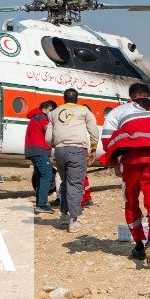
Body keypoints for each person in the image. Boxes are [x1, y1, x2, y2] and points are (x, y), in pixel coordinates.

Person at [100, 82, 150, 269]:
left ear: (131, 96)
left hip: (131, 161)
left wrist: (115, 163)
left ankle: (137, 245)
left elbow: (107, 139)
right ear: (147, 95)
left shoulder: (119, 111)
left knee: (131, 201)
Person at [45, 88, 98, 232]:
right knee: (75, 184)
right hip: (78, 150)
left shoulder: (53, 113)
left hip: (60, 151)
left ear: (64, 99)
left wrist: (57, 145)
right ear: (77, 99)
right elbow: (93, 131)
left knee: (65, 182)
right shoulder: (85, 111)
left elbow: (48, 138)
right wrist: (93, 149)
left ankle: (63, 215)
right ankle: (74, 220)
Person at [24, 100, 58, 214]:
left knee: (40, 176)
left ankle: (40, 204)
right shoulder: (41, 116)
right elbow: (49, 131)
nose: (51, 113)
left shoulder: (35, 117)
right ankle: (42, 204)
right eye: (51, 110)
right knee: (47, 174)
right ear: (46, 108)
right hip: (39, 150)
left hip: (33, 150)